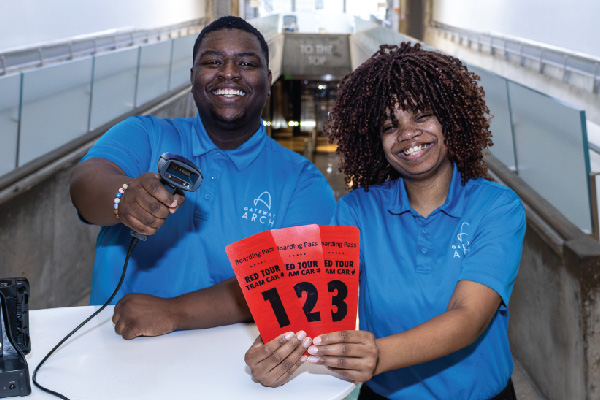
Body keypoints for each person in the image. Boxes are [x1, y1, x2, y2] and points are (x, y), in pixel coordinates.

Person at [245, 42, 525, 400]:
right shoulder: (355, 212)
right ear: (375, 141)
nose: (408, 133)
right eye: (390, 125)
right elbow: (313, 304)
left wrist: (380, 354)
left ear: (451, 120)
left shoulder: (496, 207)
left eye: (422, 116)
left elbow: (468, 316)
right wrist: (274, 348)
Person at [69, 16, 335, 340]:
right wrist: (123, 197)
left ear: (267, 80)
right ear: (192, 76)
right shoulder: (144, 134)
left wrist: (172, 312)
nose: (229, 72)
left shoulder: (303, 182)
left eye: (246, 63)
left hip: (240, 366)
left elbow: (289, 282)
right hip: (119, 345)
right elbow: (85, 183)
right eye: (212, 61)